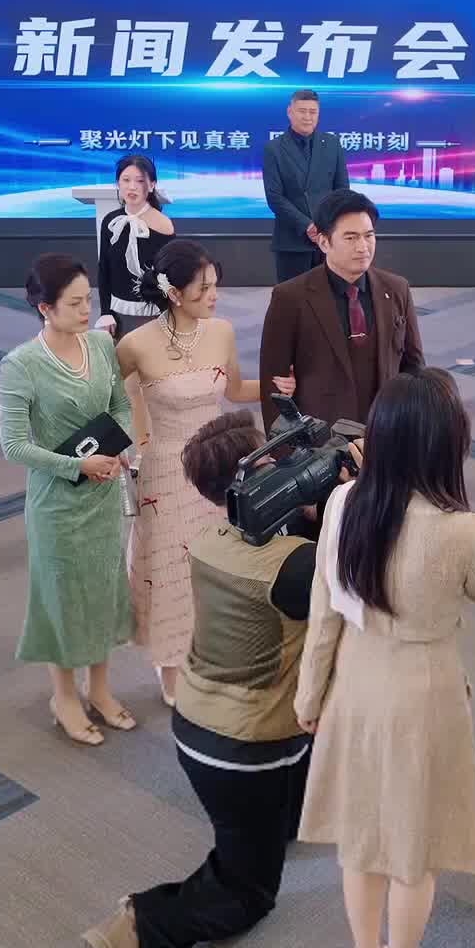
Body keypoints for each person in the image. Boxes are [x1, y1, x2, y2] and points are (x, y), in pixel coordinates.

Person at [83, 409, 338, 948]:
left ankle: (277, 824)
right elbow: (356, 582)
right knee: (249, 894)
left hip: (199, 723)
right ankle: (143, 926)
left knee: (290, 789)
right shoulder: (294, 568)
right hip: (244, 747)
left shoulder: (208, 540)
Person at [296, 369, 475, 948]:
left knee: (361, 841)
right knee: (415, 852)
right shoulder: (461, 528)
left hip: (357, 683)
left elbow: (324, 614)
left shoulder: (344, 504)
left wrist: (309, 700)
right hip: (426, 693)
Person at [118, 238, 294, 709]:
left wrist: (279, 387)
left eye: (215, 285)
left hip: (220, 467)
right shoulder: (135, 345)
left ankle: (215, 650)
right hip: (166, 471)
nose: (214, 296)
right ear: (174, 293)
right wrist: (132, 450)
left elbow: (235, 391)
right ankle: (170, 664)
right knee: (172, 570)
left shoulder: (222, 332)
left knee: (220, 563)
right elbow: (115, 403)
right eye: (203, 289)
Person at [0, 254, 134, 745]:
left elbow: (120, 404)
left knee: (104, 590)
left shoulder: (99, 345)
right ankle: (64, 696)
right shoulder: (21, 365)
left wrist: (118, 448)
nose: (85, 310)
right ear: (44, 308)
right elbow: (14, 446)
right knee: (62, 599)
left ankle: (100, 688)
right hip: (57, 504)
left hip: (104, 494)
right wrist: (78, 466)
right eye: (74, 304)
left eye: (87, 300)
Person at [258, 188, 424, 433]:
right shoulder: (290, 297)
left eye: (369, 236)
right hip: (322, 440)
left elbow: (414, 368)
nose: (363, 247)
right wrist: (286, 450)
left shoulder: (397, 289)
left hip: (385, 433)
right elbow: (274, 387)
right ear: (324, 242)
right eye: (351, 238)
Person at [262, 88, 349, 281]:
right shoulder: (274, 149)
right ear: (290, 111)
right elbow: (274, 197)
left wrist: (327, 225)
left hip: (327, 240)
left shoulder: (332, 144)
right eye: (302, 111)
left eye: (313, 112)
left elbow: (342, 192)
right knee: (292, 296)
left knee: (329, 295)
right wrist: (307, 225)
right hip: (292, 241)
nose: (307, 117)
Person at [96, 154, 174, 340]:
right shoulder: (111, 221)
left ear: (152, 185)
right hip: (117, 313)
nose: (132, 187)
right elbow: (104, 269)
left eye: (139, 181)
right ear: (118, 184)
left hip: (154, 315)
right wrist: (105, 312)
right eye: (126, 180)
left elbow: (170, 275)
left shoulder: (163, 224)